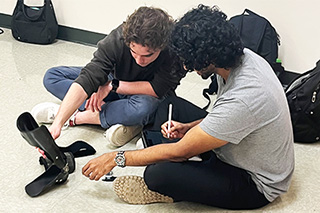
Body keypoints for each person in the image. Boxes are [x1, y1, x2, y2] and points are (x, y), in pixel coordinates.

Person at [81, 5, 295, 210]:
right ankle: (183, 157)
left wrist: (116, 158)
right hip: (237, 143)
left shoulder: (245, 97)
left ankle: (177, 179)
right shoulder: (240, 58)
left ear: (208, 57)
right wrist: (188, 127)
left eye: (189, 60)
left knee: (156, 175)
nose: (186, 66)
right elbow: (228, 118)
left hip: (253, 181)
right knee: (167, 104)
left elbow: (179, 152)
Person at [31, 6, 185, 147]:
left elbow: (158, 89)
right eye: (133, 52)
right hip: (113, 81)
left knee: (145, 107)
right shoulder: (119, 38)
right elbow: (91, 74)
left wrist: (113, 86)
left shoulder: (173, 49)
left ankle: (79, 117)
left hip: (143, 94)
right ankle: (122, 119)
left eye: (147, 55)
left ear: (162, 46)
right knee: (52, 76)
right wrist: (57, 123)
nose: (139, 60)